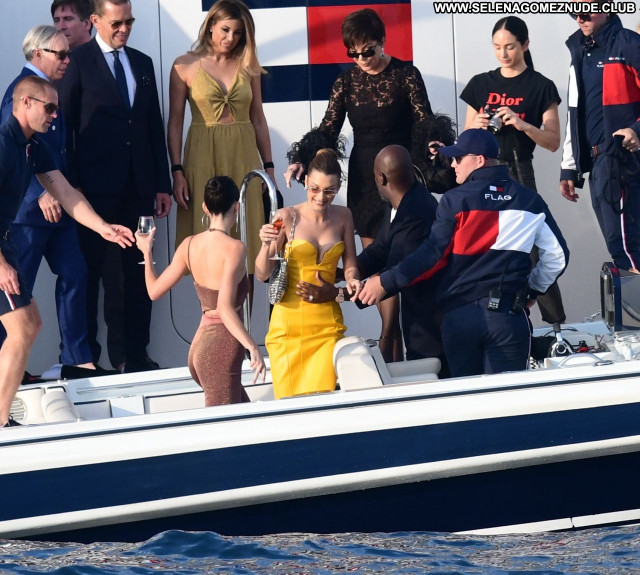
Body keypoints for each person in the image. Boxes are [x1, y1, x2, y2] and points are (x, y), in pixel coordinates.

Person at [285, 8, 433, 363]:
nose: (361, 59)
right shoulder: (347, 82)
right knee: (377, 260)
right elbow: (328, 129)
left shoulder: (406, 75)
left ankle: (396, 338)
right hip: (367, 181)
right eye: (353, 53)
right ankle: (389, 334)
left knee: (402, 256)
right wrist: (303, 157)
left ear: (383, 42)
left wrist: (433, 148)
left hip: (400, 176)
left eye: (367, 51)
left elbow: (425, 124)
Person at [359, 129, 569, 377]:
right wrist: (532, 289)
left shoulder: (454, 200)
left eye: (458, 158)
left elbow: (431, 256)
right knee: (507, 398)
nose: (453, 164)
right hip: (507, 316)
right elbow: (557, 257)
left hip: (460, 319)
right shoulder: (529, 200)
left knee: (466, 398)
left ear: (479, 160)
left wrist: (385, 282)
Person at [0, 76, 133, 427]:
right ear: (25, 103)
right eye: (49, 108)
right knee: (22, 328)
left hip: (5, 245)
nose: (55, 116)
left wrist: (103, 227)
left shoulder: (33, 147)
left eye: (56, 109)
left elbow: (66, 192)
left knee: (28, 325)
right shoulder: (3, 142)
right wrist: (1, 265)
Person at [58, 0, 172, 373]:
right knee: (92, 275)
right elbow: (65, 129)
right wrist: (70, 186)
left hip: (139, 188)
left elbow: (152, 125)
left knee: (139, 271)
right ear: (95, 20)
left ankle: (134, 356)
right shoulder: (78, 62)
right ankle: (87, 360)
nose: (124, 29)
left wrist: (162, 184)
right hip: (93, 193)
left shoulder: (142, 62)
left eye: (129, 21)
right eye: (117, 23)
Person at [0, 26, 101, 374]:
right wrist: (40, 193)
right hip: (24, 218)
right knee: (16, 305)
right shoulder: (21, 95)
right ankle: (9, 374)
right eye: (61, 54)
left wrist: (103, 227)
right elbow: (17, 155)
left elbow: (58, 172)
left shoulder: (48, 99)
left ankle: (76, 360)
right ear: (38, 53)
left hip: (55, 214)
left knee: (73, 275)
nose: (68, 60)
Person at [297, 145, 446, 372]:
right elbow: (380, 249)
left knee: (431, 375)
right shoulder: (399, 201)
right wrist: (346, 271)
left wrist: (335, 294)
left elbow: (390, 278)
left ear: (381, 178)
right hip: (420, 313)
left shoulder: (415, 214)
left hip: (432, 321)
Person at [461, 16, 566, 325]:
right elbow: (465, 139)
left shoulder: (541, 86)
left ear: (525, 45)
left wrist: (521, 124)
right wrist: (478, 124)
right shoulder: (480, 83)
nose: (503, 54)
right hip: (482, 171)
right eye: (497, 47)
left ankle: (555, 325)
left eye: (509, 47)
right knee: (483, 245)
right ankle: (490, 319)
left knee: (533, 249)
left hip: (519, 169)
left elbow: (553, 141)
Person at [168, 0, 275, 281]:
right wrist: (177, 171)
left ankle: (244, 309)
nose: (231, 38)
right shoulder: (184, 65)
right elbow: (175, 122)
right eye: (225, 30)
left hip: (243, 155)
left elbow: (258, 118)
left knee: (247, 236)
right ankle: (212, 309)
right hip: (202, 156)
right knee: (207, 238)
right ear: (211, 26)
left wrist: (269, 168)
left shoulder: (248, 65)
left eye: (238, 33)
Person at [136, 176, 265, 406]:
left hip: (200, 346)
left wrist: (146, 252)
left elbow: (153, 291)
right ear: (237, 207)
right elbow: (224, 308)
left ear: (205, 207)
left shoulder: (188, 244)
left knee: (246, 419)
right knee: (225, 425)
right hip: (222, 348)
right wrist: (252, 346)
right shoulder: (235, 248)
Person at [256, 149, 362, 399]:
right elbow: (261, 274)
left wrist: (352, 279)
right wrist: (265, 244)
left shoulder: (344, 216)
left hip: (327, 326)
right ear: (305, 182)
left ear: (338, 188)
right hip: (288, 326)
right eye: (314, 188)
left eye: (329, 191)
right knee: (289, 406)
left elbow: (350, 264)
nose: (321, 197)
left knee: (325, 402)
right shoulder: (285, 216)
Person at [560, 9, 640, 273]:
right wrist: (569, 167)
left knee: (627, 247)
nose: (579, 19)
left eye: (585, 12)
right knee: (618, 246)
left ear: (606, 8)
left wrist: (636, 130)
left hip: (623, 158)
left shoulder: (630, 44)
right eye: (573, 13)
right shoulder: (579, 49)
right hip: (597, 163)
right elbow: (574, 113)